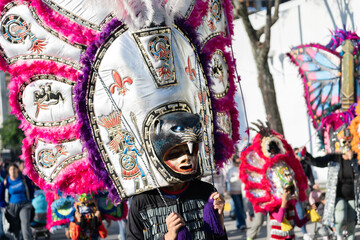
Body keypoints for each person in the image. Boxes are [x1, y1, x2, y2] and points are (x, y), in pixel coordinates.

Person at [305, 144, 359, 240]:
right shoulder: (334, 158)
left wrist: (353, 159)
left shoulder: (356, 159)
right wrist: (306, 154)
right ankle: (339, 235)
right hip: (339, 196)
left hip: (353, 196)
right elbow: (317, 162)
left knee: (351, 220)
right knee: (340, 214)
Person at [0, 163, 34, 240]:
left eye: (14, 169)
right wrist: (4, 205)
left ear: (17, 170)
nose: (13, 171)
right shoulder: (6, 182)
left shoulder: (23, 179)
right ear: (8, 171)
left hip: (24, 205)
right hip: (12, 207)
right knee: (15, 228)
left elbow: (30, 188)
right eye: (11, 169)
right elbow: (1, 195)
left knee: (25, 225)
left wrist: (31, 199)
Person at [293, 147, 314, 240]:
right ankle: (296, 232)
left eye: (300, 154)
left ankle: (304, 233)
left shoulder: (304, 164)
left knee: (301, 212)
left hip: (302, 191)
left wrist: (313, 185)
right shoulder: (291, 164)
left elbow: (310, 175)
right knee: (295, 214)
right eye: (297, 154)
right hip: (292, 192)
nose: (299, 156)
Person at [226, 154, 246, 230]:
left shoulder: (241, 168)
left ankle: (239, 224)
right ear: (234, 162)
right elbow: (229, 180)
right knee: (238, 208)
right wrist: (237, 177)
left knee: (242, 208)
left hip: (241, 191)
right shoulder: (231, 170)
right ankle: (241, 224)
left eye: (239, 162)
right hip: (234, 192)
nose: (238, 164)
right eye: (237, 163)